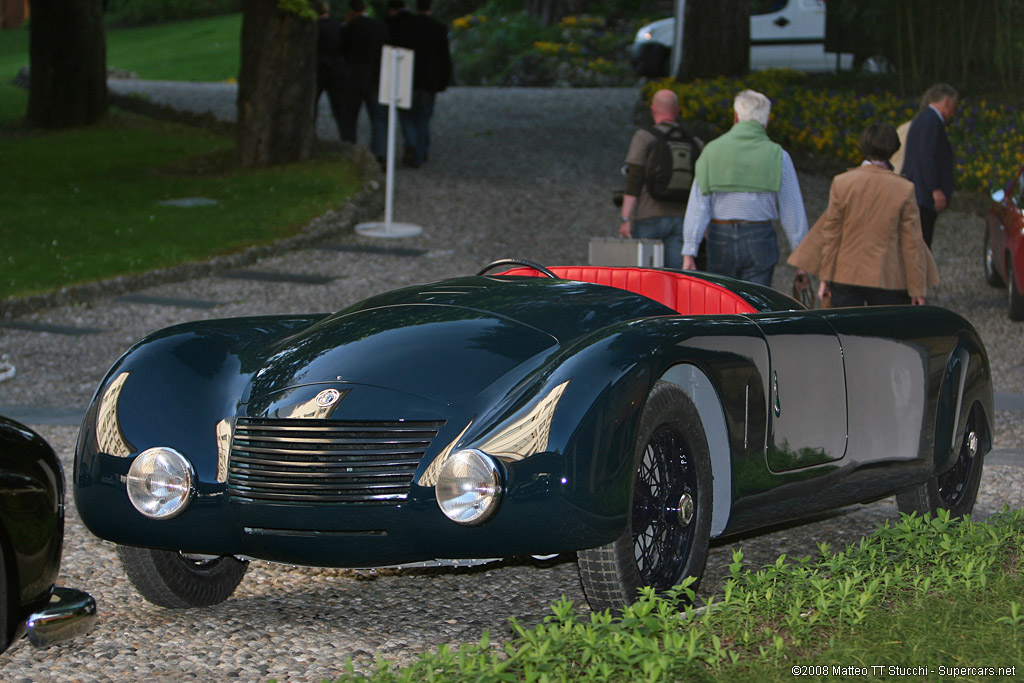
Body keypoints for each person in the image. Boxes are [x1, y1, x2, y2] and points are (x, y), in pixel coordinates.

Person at [788, 122, 939, 307]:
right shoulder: (904, 188)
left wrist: (825, 278)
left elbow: (832, 234)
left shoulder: (842, 182)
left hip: (845, 273)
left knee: (846, 333)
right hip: (887, 276)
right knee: (883, 334)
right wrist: (917, 290)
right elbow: (912, 243)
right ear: (894, 150)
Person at [681, 89, 809, 288]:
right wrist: (802, 260)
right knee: (755, 305)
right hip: (760, 235)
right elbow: (793, 210)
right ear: (766, 120)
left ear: (735, 117)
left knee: (722, 305)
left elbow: (698, 206)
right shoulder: (778, 155)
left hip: (720, 234)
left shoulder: (711, 152)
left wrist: (689, 251)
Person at [618, 89, 700, 270]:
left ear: (653, 110)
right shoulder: (693, 142)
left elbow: (634, 179)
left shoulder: (644, 137)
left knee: (645, 277)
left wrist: (625, 218)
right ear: (677, 110)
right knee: (677, 276)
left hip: (649, 215)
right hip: (681, 218)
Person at [388, 0, 452, 168]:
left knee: (406, 115)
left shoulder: (406, 26)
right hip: (429, 80)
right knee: (423, 119)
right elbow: (444, 57)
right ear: (430, 8)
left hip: (408, 77)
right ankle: (421, 151)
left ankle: (412, 143)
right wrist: (444, 80)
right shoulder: (439, 28)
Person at [900, 83, 958, 249]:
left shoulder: (923, 119)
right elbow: (926, 156)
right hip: (922, 195)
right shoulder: (932, 121)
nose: (954, 112)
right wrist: (935, 189)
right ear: (946, 102)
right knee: (921, 245)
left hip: (916, 192)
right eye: (954, 106)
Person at [338, 0, 390, 164]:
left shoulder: (350, 28)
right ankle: (380, 152)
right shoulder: (379, 26)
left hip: (355, 77)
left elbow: (340, 49)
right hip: (376, 76)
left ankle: (349, 148)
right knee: (379, 117)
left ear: (351, 10)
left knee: (349, 116)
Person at [314, 1, 348, 142]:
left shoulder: (313, 28)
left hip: (319, 71)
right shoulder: (337, 27)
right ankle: (345, 138)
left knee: (312, 106)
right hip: (336, 71)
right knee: (340, 109)